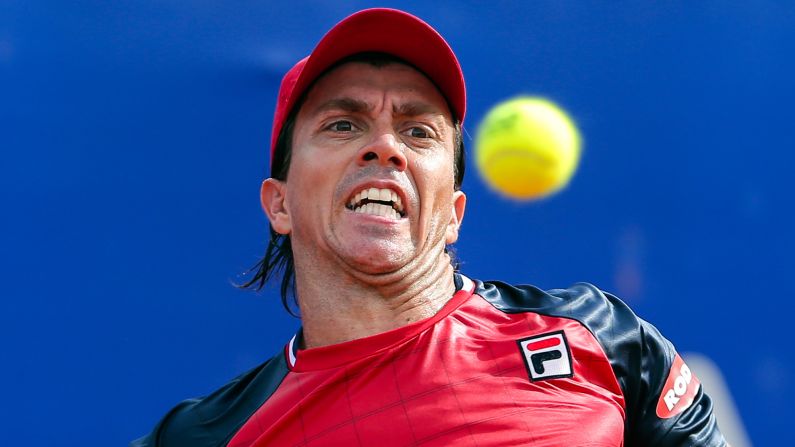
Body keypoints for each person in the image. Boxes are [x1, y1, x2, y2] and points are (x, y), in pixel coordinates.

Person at [132, 8, 726, 447]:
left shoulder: (603, 342)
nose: (385, 146)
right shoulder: (202, 437)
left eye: (419, 132)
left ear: (452, 215)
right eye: (343, 124)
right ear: (279, 204)